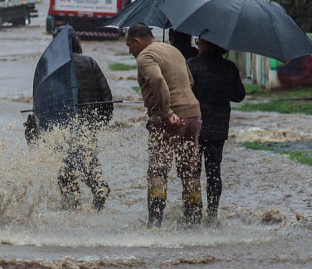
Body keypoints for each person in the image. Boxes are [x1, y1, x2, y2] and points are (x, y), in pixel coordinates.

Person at [124, 22, 203, 227]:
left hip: (168, 120)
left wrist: (167, 112)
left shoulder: (145, 56)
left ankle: (155, 224)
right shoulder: (174, 50)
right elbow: (190, 82)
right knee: (189, 170)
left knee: (157, 171)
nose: (130, 51)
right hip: (194, 115)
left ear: (137, 41)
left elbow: (158, 81)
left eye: (129, 46)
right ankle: (194, 223)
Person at [187, 37, 247, 224]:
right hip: (218, 128)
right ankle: (212, 214)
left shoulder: (191, 65)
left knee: (192, 172)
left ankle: (193, 215)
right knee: (214, 172)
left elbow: (183, 92)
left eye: (198, 41)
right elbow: (238, 96)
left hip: (194, 126)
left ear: (204, 44)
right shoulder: (229, 67)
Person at [57, 33, 113, 210]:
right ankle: (99, 188)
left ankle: (72, 208)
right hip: (90, 121)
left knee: (66, 165)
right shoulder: (90, 62)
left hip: (66, 123)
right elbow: (105, 94)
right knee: (88, 157)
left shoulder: (56, 68)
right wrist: (103, 119)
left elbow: (49, 99)